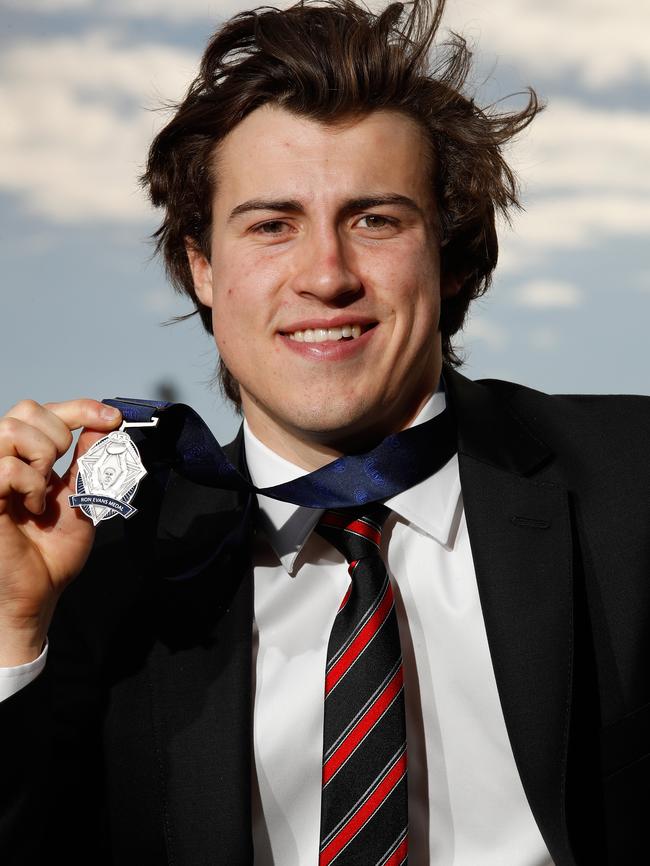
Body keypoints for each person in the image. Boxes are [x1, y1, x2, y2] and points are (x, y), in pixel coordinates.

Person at [0, 1, 648, 864]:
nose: (326, 275)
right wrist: (11, 632)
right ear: (200, 265)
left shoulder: (633, 481)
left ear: (450, 255)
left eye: (375, 220)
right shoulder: (97, 567)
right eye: (272, 225)